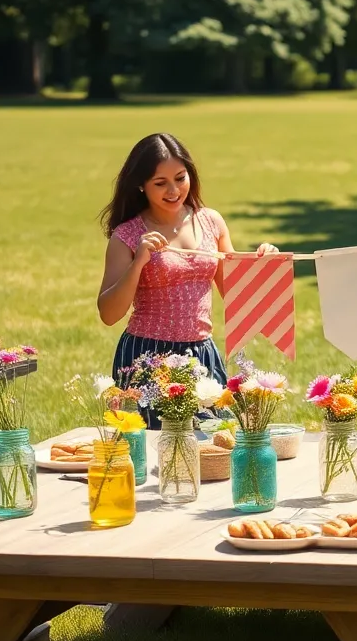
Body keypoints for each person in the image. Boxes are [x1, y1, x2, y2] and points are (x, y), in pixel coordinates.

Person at [97, 133, 278, 428]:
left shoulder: (211, 221)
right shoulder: (127, 236)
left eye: (180, 178)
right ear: (141, 185)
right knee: (156, 452)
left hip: (202, 354)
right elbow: (108, 313)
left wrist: (264, 264)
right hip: (147, 358)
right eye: (160, 183)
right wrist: (139, 262)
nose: (173, 190)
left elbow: (236, 296)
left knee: (212, 451)